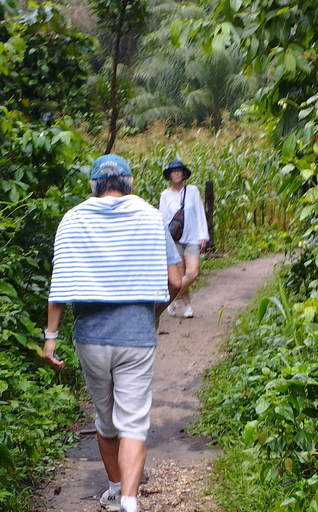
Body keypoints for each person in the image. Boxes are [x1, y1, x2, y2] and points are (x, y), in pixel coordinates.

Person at [42, 154, 181, 512]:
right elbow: (175, 280)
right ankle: (130, 503)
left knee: (106, 419)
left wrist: (50, 337)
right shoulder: (151, 216)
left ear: (93, 185)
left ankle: (116, 488)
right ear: (130, 183)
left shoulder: (72, 220)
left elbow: (61, 284)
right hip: (136, 335)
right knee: (133, 421)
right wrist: (156, 312)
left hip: (90, 337)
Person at [158, 159, 209, 318]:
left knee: (192, 272)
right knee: (179, 275)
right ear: (170, 175)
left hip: (193, 237)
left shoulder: (192, 191)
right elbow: (163, 217)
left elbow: (200, 213)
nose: (177, 173)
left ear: (184, 174)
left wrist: (203, 235)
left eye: (179, 170)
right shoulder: (165, 195)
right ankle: (188, 307)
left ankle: (171, 300)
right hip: (174, 239)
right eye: (174, 171)